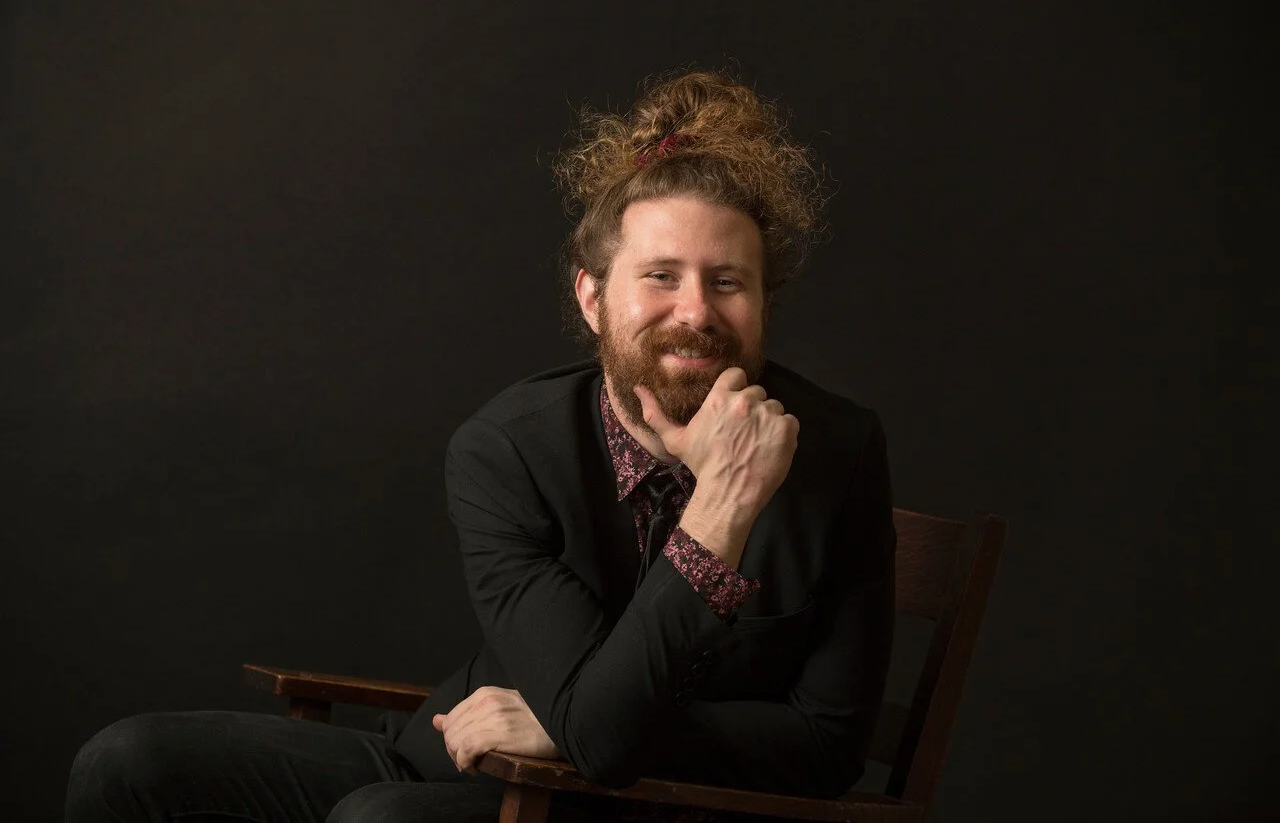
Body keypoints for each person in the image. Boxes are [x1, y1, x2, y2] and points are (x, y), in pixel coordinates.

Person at [65, 70, 895, 823]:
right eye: (660, 275)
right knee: (129, 762)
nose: (696, 310)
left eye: (728, 281)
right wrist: (581, 720)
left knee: (381, 820)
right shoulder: (510, 448)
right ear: (592, 297)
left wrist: (721, 509)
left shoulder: (839, 451)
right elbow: (592, 722)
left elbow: (825, 746)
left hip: (662, 801)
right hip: (462, 762)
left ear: (763, 302)